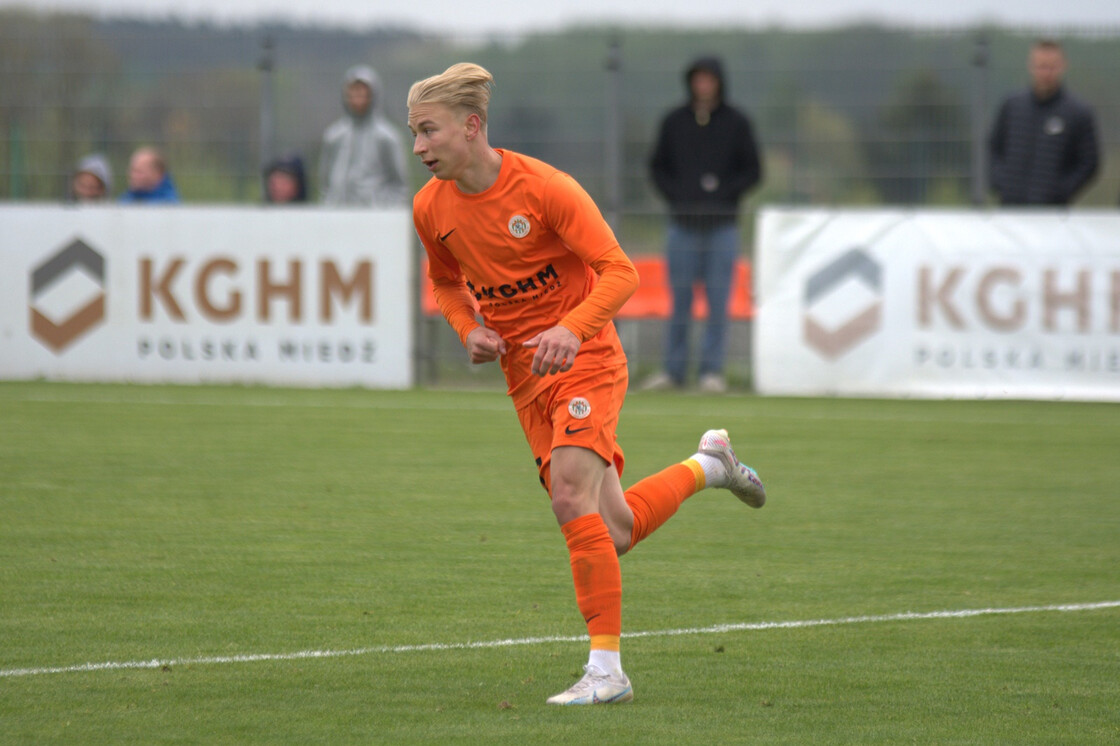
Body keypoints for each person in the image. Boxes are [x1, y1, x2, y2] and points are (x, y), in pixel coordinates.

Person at [408, 62, 767, 706]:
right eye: (413, 133)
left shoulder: (545, 188)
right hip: (525, 377)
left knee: (569, 495)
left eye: (428, 131)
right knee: (616, 529)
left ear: (471, 126)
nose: (419, 147)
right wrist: (468, 331)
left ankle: (607, 672)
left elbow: (619, 272)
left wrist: (571, 329)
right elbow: (444, 283)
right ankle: (709, 466)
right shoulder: (430, 207)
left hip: (588, 358)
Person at [645, 56, 762, 394]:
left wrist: (724, 195)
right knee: (679, 300)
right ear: (691, 82)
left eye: (709, 79)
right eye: (698, 79)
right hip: (682, 225)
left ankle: (712, 372)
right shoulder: (674, 122)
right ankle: (673, 371)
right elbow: (657, 168)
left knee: (718, 300)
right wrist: (678, 196)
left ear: (719, 82)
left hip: (723, 226)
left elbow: (753, 170)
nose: (704, 86)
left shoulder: (737, 123)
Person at [988, 39, 1100, 206]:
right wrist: (1001, 182)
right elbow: (993, 148)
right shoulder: (1011, 106)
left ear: (1063, 66)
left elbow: (1089, 162)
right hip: (1011, 207)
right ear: (1031, 65)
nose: (1046, 73)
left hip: (1052, 212)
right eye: (1041, 66)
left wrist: (1062, 191)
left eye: (1051, 66)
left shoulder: (1078, 112)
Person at [319, 64, 409, 207]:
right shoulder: (334, 136)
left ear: (373, 95)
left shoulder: (387, 137)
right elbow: (325, 183)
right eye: (352, 93)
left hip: (374, 217)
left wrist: (390, 214)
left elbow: (399, 185)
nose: (357, 99)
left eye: (362, 93)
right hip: (337, 215)